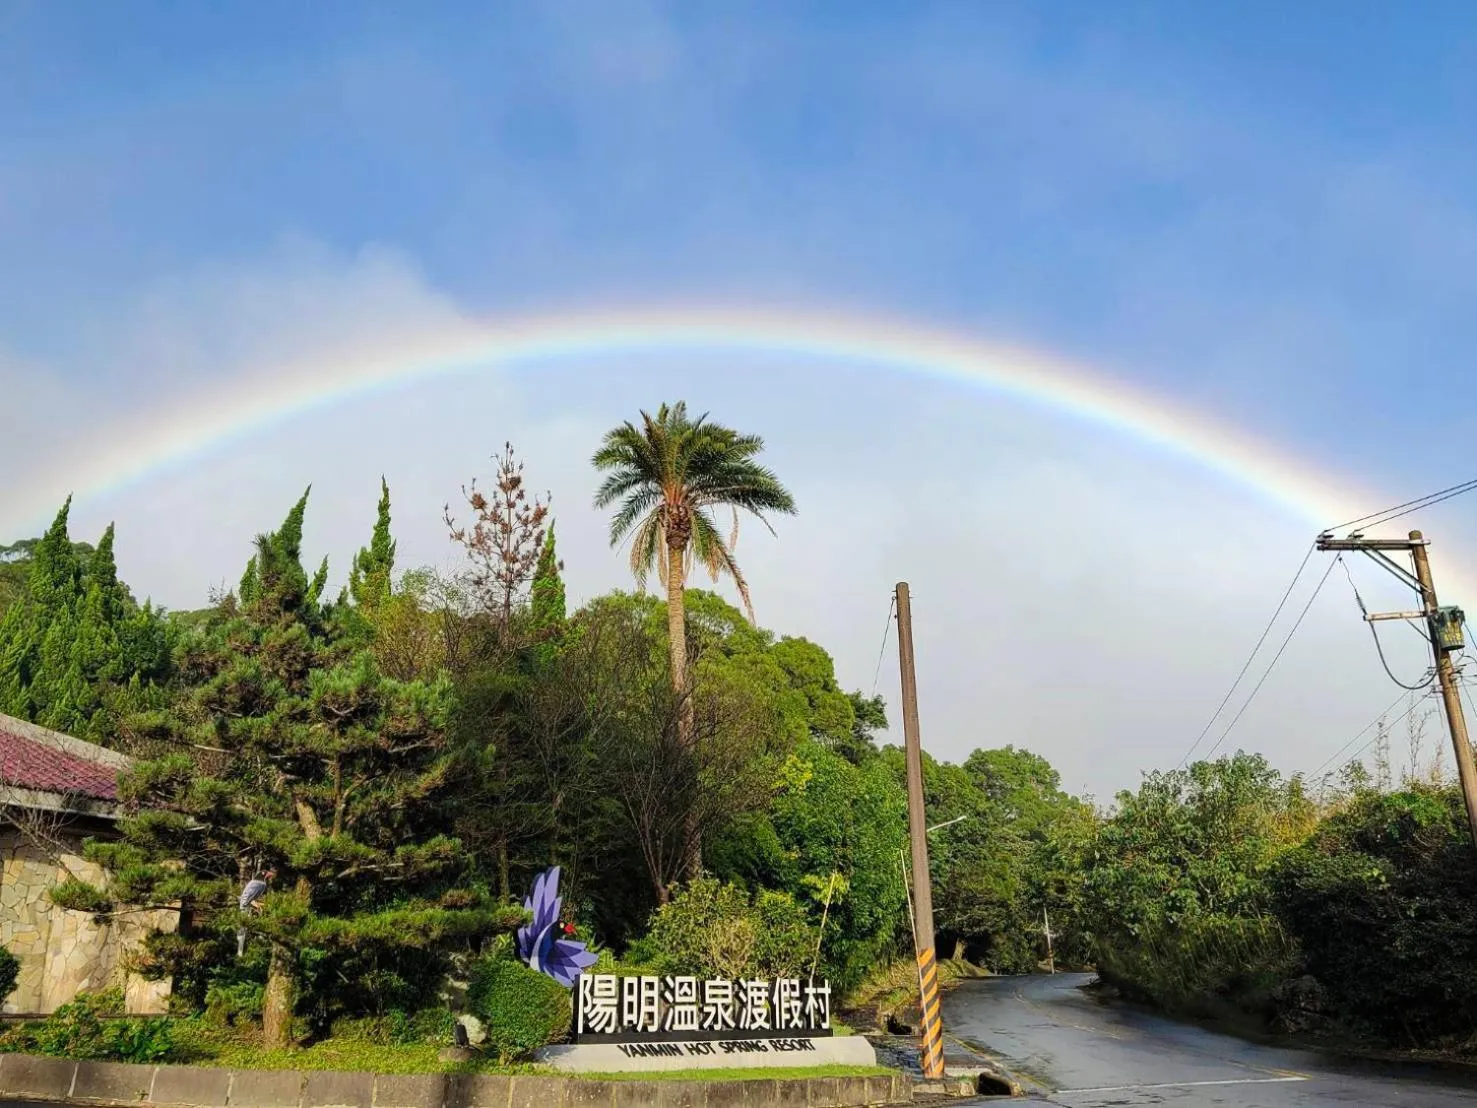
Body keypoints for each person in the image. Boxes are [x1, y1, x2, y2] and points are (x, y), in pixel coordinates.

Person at [237, 868, 276, 958]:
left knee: (244, 927)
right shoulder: (261, 884)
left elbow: (249, 898)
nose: (268, 875)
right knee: (244, 927)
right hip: (246, 904)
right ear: (262, 875)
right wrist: (256, 905)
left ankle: (241, 950)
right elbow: (251, 898)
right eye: (266, 874)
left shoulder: (252, 882)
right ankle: (241, 951)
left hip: (245, 904)